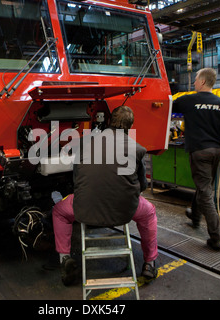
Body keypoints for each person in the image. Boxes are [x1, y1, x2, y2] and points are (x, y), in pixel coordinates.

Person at [52, 105, 158, 286]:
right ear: (130, 127)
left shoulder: (85, 144)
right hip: (125, 210)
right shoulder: (138, 149)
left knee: (59, 212)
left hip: (85, 207)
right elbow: (142, 186)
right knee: (149, 213)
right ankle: (150, 263)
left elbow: (76, 180)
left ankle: (65, 259)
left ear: (109, 122)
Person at [172, 68, 220, 250]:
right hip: (217, 150)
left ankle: (216, 238)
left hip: (200, 151)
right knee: (205, 186)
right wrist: (218, 133)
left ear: (202, 82)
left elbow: (166, 106)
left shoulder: (188, 100)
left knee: (206, 192)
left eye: (195, 80)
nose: (193, 83)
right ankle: (195, 216)